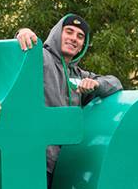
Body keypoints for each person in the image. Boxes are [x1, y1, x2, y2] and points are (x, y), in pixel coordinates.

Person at [41, 14, 123, 173]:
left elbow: (115, 83)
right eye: (69, 32)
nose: (73, 38)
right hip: (39, 160)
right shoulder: (42, 58)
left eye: (80, 36)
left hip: (65, 164)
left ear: (82, 45)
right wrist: (22, 33)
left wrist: (96, 84)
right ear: (57, 34)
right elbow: (22, 51)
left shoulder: (79, 74)